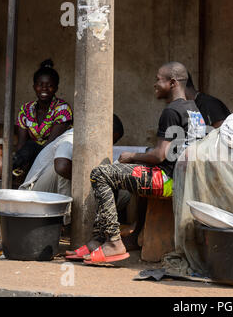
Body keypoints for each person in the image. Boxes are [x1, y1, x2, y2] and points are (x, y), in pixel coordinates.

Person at [66, 62, 206, 263]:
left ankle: (113, 242)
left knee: (101, 174)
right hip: (185, 179)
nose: (155, 84)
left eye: (159, 79)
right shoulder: (193, 109)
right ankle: (99, 240)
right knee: (114, 173)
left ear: (173, 82)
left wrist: (131, 157)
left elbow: (159, 155)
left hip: (169, 182)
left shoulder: (171, 112)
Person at [13, 59, 73, 176]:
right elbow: (21, 144)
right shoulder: (26, 109)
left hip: (54, 159)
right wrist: (20, 164)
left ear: (56, 88)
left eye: (49, 85)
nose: (44, 89)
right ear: (34, 86)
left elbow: (49, 146)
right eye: (40, 85)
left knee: (30, 146)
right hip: (28, 157)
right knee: (26, 149)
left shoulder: (62, 109)